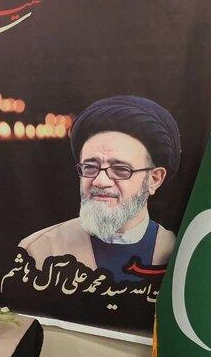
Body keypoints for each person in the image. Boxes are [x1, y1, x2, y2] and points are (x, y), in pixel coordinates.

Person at [19, 95, 180, 282]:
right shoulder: (38, 252)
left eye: (120, 169)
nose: (100, 181)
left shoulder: (178, 252)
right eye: (90, 167)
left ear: (154, 179)